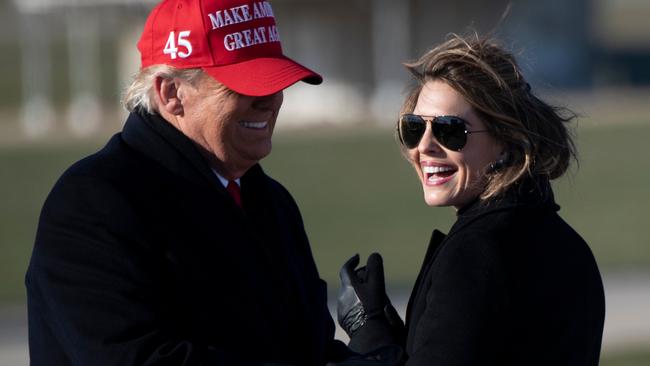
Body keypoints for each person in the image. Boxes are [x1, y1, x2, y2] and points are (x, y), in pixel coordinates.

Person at [25, 0, 353, 364]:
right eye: (245, 86)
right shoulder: (92, 204)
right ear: (171, 94)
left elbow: (304, 348)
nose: (270, 101)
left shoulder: (270, 202)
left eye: (275, 83)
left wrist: (367, 353)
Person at [336, 34, 605, 365]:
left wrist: (369, 333)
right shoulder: (568, 245)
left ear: (507, 140)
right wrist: (396, 337)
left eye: (450, 130)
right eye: (414, 128)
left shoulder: (474, 256)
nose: (425, 146)